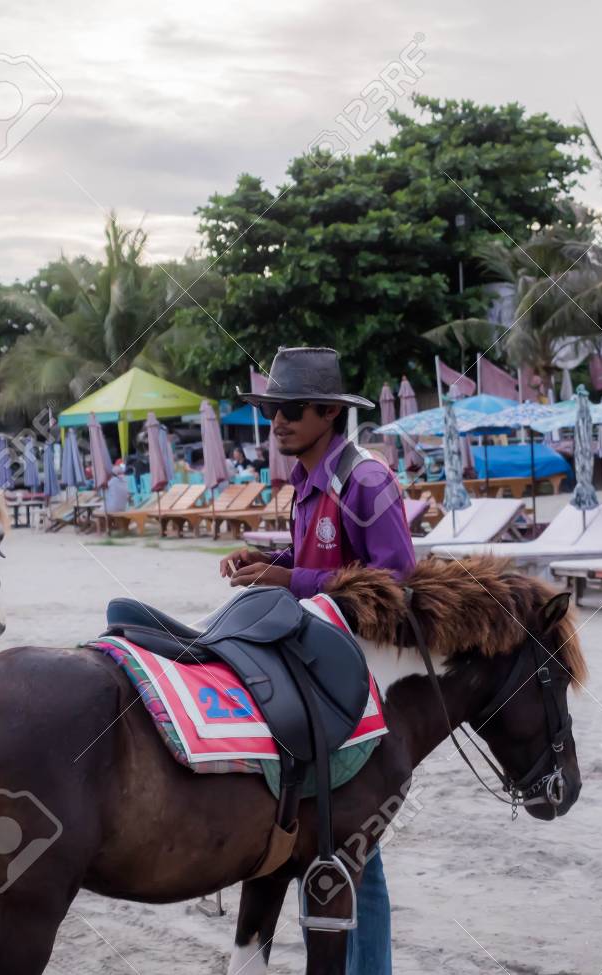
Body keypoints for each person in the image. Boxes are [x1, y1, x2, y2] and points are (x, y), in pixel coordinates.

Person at [219, 346, 415, 975]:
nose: (277, 421)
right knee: (349, 845)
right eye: (272, 410)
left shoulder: (366, 479)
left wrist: (291, 578)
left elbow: (396, 580)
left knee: (351, 843)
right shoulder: (308, 480)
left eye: (292, 409)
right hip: (315, 667)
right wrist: (268, 561)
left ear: (329, 412)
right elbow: (320, 563)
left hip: (355, 682)